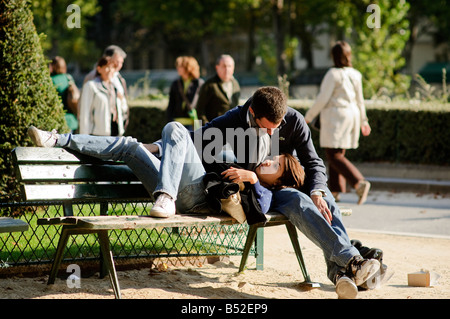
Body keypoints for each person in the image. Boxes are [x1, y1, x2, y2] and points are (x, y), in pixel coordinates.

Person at [191, 86, 380, 299]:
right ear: (254, 113)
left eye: (277, 126)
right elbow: (196, 139)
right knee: (299, 201)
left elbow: (313, 162)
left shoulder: (295, 120)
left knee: (327, 202)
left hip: (296, 178)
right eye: (267, 128)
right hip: (268, 190)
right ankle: (353, 262)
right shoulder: (235, 119)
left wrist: (317, 192)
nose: (272, 133)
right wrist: (159, 147)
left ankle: (342, 273)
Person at [27, 124, 304, 224]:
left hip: (197, 197)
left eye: (275, 165)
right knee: (130, 146)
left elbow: (260, 212)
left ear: (279, 181)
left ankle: (165, 197)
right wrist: (158, 148)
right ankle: (60, 139)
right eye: (272, 158)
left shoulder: (266, 192)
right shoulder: (247, 161)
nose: (267, 162)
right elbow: (196, 144)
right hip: (178, 190)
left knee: (175, 126)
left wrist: (252, 179)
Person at [304, 41, 371, 205]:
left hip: (336, 116)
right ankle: (335, 191)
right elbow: (360, 100)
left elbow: (322, 98)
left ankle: (359, 183)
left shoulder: (332, 74)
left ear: (333, 56)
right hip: (352, 115)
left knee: (333, 155)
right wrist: (364, 120)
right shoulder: (356, 74)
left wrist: (308, 116)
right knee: (337, 153)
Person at [84, 45, 129, 130]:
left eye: (121, 62)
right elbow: (84, 110)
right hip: (98, 132)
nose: (118, 65)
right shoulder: (92, 79)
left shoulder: (119, 78)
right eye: (116, 61)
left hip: (116, 129)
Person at [78, 56, 125, 136]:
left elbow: (123, 108)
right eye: (107, 67)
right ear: (99, 69)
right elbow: (85, 112)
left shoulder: (115, 87)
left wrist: (121, 99)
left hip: (115, 133)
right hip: (97, 134)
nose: (110, 70)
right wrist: (84, 136)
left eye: (112, 68)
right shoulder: (91, 86)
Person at [196, 54, 240, 123]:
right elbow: (200, 111)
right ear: (217, 68)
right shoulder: (209, 85)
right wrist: (207, 128)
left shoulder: (236, 84)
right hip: (213, 130)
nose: (227, 69)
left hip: (232, 130)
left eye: (229, 66)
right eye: (224, 66)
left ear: (233, 68)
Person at [166, 56, 204, 130]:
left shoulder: (199, 83)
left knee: (196, 141)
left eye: (181, 66)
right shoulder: (176, 83)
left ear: (189, 67)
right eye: (177, 66)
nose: (178, 68)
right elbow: (171, 104)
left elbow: (202, 105)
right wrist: (169, 121)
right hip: (176, 123)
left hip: (194, 122)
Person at [50, 56, 80, 132]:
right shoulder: (68, 78)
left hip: (57, 119)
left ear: (52, 66)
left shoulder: (51, 80)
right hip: (71, 119)